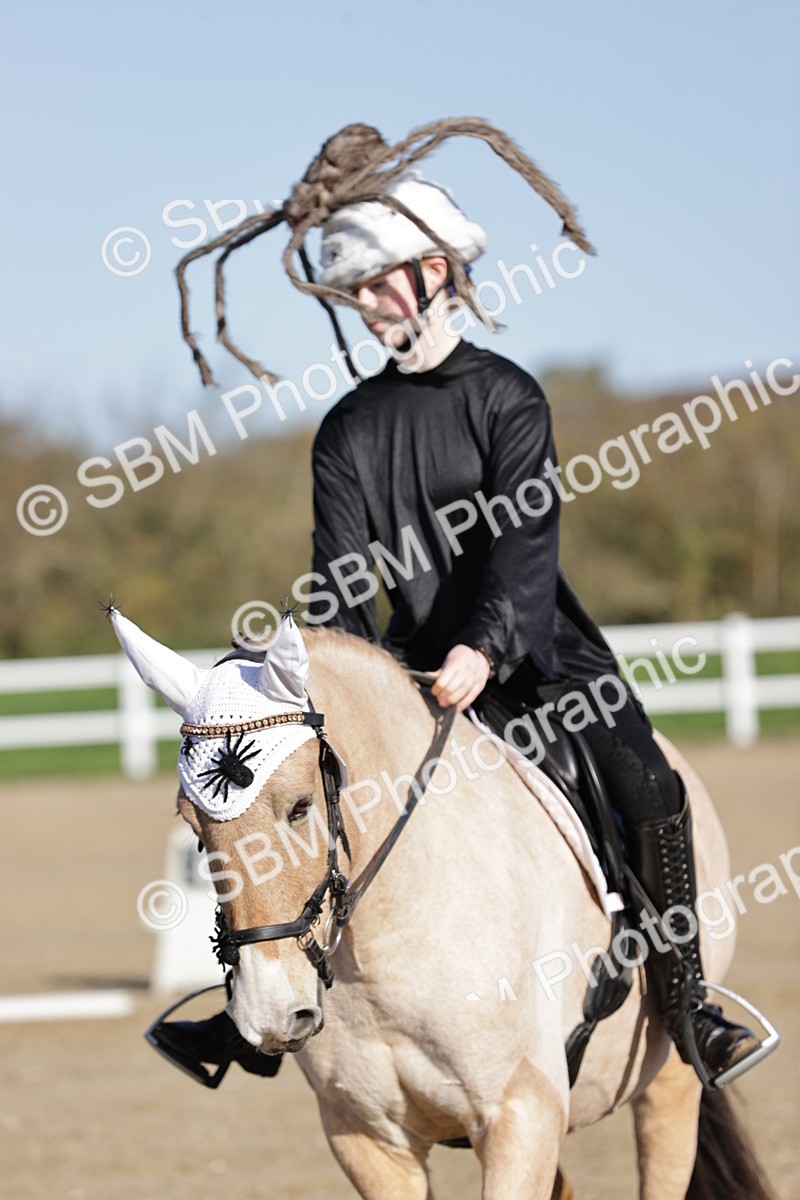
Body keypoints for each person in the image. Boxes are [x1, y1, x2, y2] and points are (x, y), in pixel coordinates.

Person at [158, 139, 762, 1088]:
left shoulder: (508, 397)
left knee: (649, 780)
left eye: (376, 284)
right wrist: (340, 675)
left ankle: (690, 1007)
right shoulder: (347, 430)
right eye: (354, 292)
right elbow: (341, 578)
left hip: (540, 656)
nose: (367, 305)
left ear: (435, 271)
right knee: (279, 801)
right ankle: (247, 1011)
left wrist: (486, 644)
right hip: (405, 669)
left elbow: (526, 544)